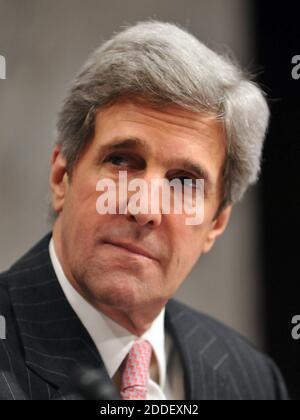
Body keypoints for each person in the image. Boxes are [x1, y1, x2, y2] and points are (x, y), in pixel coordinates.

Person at [0, 21, 288, 400]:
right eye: (122, 160)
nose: (144, 207)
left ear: (216, 223)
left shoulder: (252, 379)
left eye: (184, 181)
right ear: (61, 177)